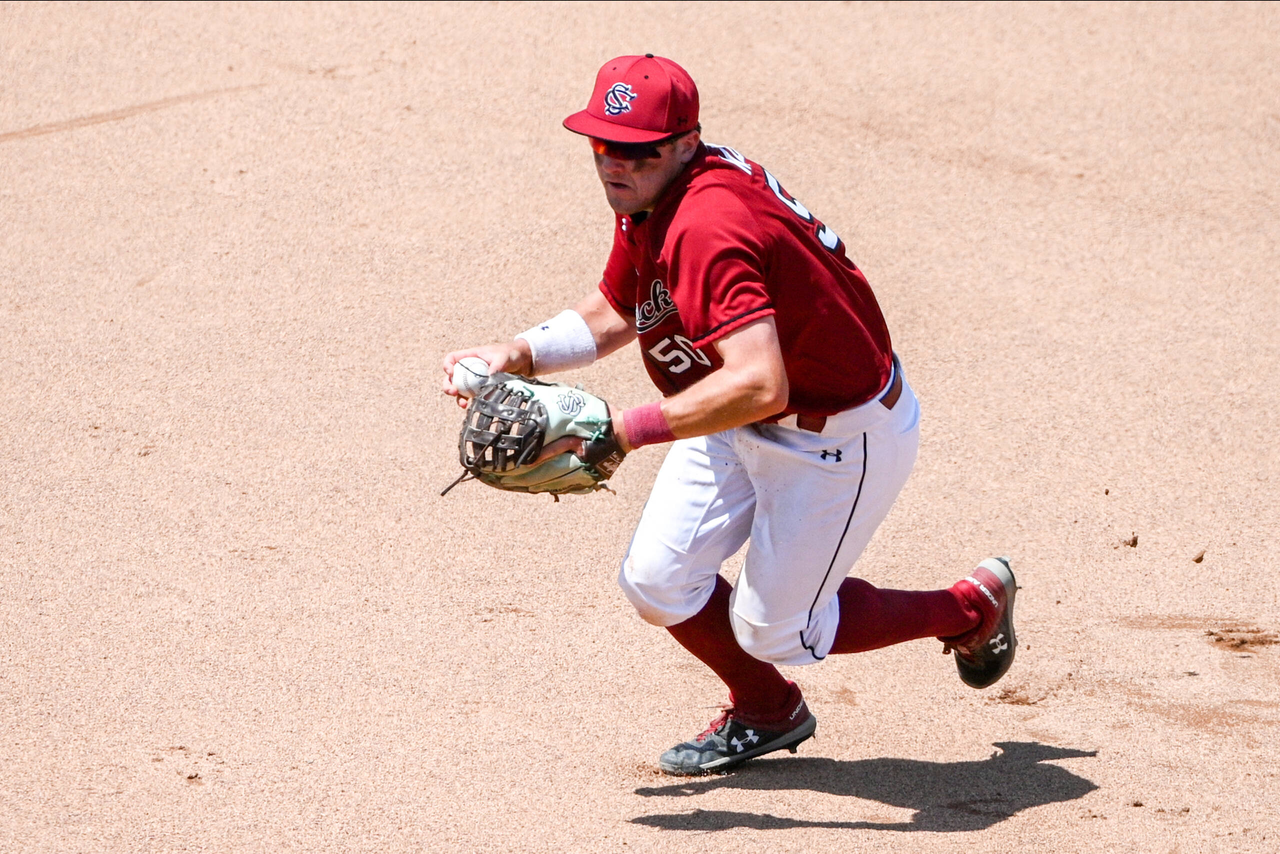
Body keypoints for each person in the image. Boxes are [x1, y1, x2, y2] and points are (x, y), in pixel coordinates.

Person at [442, 54, 1017, 776]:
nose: (613, 166)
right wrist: (520, 351)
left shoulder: (707, 225)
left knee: (775, 627)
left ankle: (970, 609)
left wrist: (624, 432)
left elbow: (761, 383)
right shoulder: (655, 196)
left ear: (685, 143)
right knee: (657, 579)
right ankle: (768, 711)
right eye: (601, 147)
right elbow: (622, 307)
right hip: (735, 413)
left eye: (635, 152)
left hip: (835, 436)